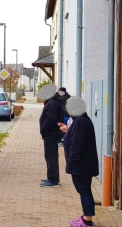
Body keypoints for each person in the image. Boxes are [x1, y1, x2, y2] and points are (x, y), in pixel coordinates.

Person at [58, 97, 99, 227]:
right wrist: (68, 131)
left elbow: (77, 146)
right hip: (83, 165)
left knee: (84, 191)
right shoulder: (81, 121)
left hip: (81, 165)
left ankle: (87, 220)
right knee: (84, 190)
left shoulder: (80, 122)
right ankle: (85, 217)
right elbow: (77, 138)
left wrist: (70, 164)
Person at [39, 85, 66, 188]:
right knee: (51, 157)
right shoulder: (53, 101)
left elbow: (51, 119)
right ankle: (52, 177)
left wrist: (43, 129)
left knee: (51, 157)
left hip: (51, 133)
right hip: (52, 133)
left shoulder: (53, 102)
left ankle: (53, 180)